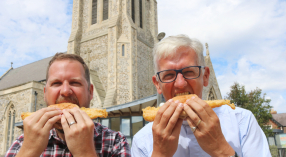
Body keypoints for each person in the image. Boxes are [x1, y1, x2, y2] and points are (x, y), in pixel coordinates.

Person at [131, 35, 271, 157]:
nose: (180, 84)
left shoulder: (243, 122)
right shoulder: (142, 141)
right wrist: (160, 154)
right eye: (168, 75)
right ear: (157, 84)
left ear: (205, 76)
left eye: (189, 72)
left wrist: (221, 150)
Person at [5, 53, 131, 157]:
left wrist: (84, 152)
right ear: (44, 93)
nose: (65, 91)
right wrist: (29, 151)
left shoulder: (116, 142)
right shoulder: (23, 142)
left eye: (75, 83)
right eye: (56, 83)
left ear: (90, 92)